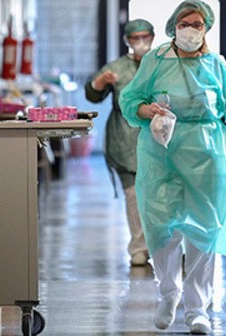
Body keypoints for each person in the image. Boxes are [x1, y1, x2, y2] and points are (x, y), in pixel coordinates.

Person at [119, 1, 226, 334]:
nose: (191, 29)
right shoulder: (156, 61)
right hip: (162, 155)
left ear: (207, 28)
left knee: (205, 230)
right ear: (174, 27)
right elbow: (130, 100)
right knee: (162, 227)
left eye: (198, 24)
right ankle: (169, 294)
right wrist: (148, 111)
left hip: (209, 155)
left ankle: (197, 308)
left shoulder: (216, 66)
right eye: (185, 23)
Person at [84, 19, 155, 266]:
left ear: (153, 37)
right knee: (133, 194)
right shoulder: (116, 68)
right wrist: (101, 82)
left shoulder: (162, 64)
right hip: (125, 138)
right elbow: (92, 93)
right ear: (127, 41)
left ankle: (166, 246)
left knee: (161, 196)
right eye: (135, 38)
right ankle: (139, 247)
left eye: (145, 37)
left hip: (158, 137)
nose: (141, 43)